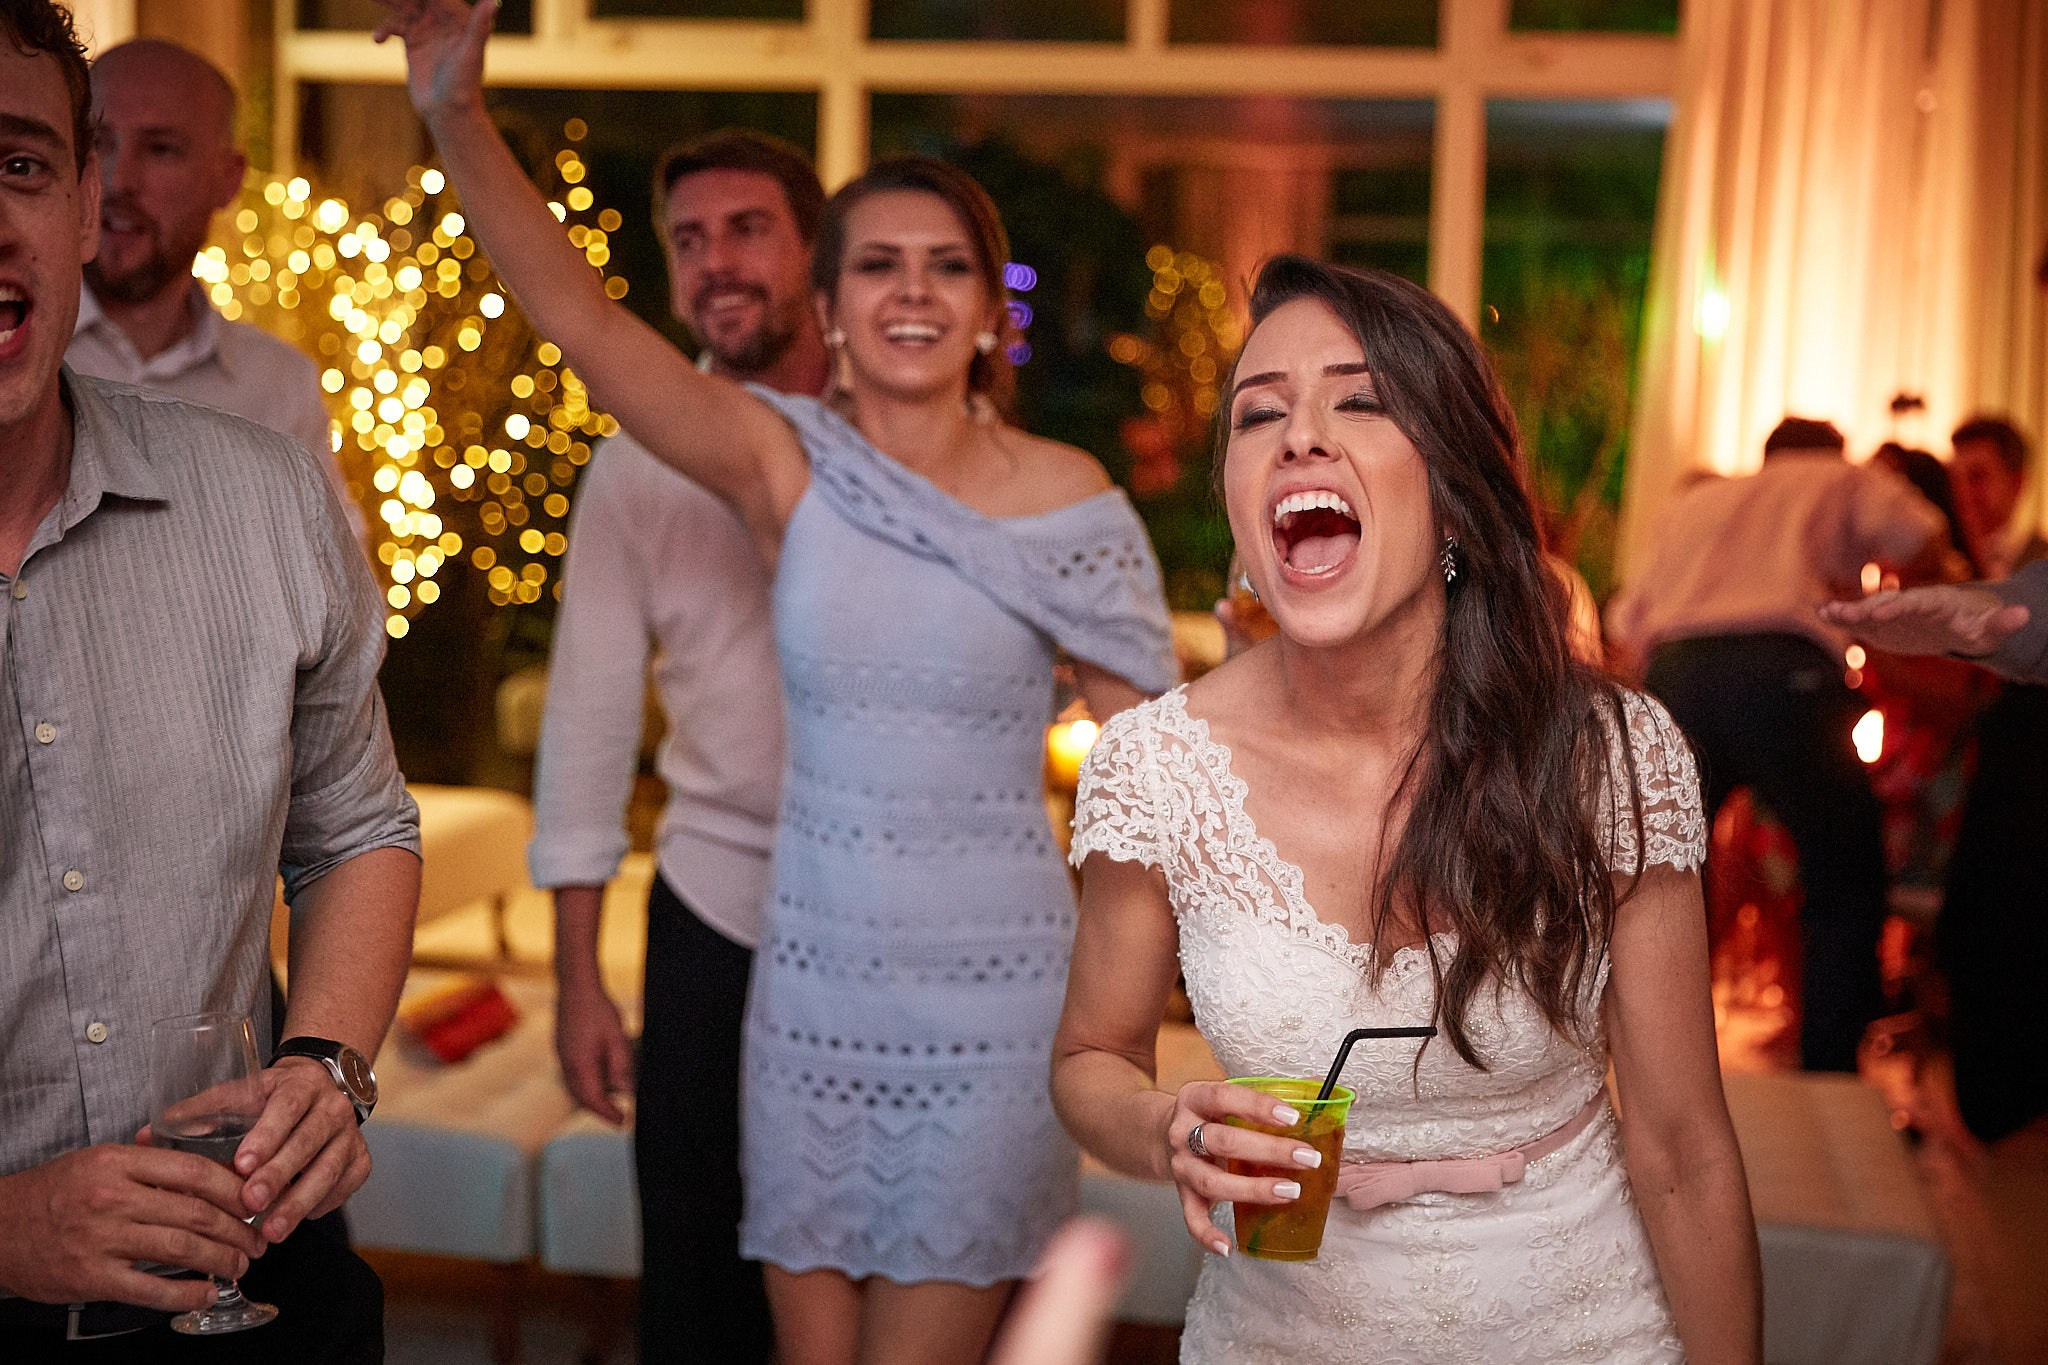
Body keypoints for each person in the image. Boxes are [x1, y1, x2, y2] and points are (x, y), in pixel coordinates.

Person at [376, 3, 1177, 1360]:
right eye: (878, 266)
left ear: (991, 309)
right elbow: (579, 317)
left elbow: (1167, 781)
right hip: (805, 992)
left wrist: (1142, 999)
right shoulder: (781, 462)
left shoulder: (1073, 502)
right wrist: (453, 114)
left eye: (945, 268)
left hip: (990, 1007)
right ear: (833, 306)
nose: (912, 291)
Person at [1052, 255, 1759, 1363]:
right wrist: (1159, 1125)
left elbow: (1682, 1148)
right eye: (1260, 413)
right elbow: (1090, 1057)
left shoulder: (1606, 756)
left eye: (1361, 400)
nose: (1299, 437)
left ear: (1453, 497)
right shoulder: (1154, 768)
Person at [0, 2, 421, 1357]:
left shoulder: (264, 494)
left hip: (242, 1295)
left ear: (82, 209)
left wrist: (327, 1065)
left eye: (22, 165)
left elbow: (356, 826)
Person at [529, 129, 829, 1363]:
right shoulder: (631, 469)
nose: (717, 262)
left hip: (890, 918)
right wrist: (576, 971)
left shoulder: (908, 442)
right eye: (689, 239)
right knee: (699, 1293)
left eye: (748, 228)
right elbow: (588, 715)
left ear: (813, 249)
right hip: (709, 914)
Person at [1605, 417, 1955, 1071]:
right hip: (1784, 670)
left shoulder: (1696, 502)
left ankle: (1649, 1063)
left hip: (1677, 673)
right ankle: (1827, 1068)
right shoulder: (1841, 477)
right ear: (1831, 453)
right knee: (1844, 878)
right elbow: (1921, 532)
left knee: (1664, 878)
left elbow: (1628, 615)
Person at [63, 38, 357, 532]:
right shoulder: (18, 353)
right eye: (97, 142)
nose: (117, 179)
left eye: (160, 149)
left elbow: (336, 586)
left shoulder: (277, 388)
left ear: (227, 179)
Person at [1947, 416, 2044, 579]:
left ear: (2016, 483)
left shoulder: (2041, 562)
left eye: (1977, 477)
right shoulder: (1943, 560)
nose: (1962, 491)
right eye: (1955, 478)